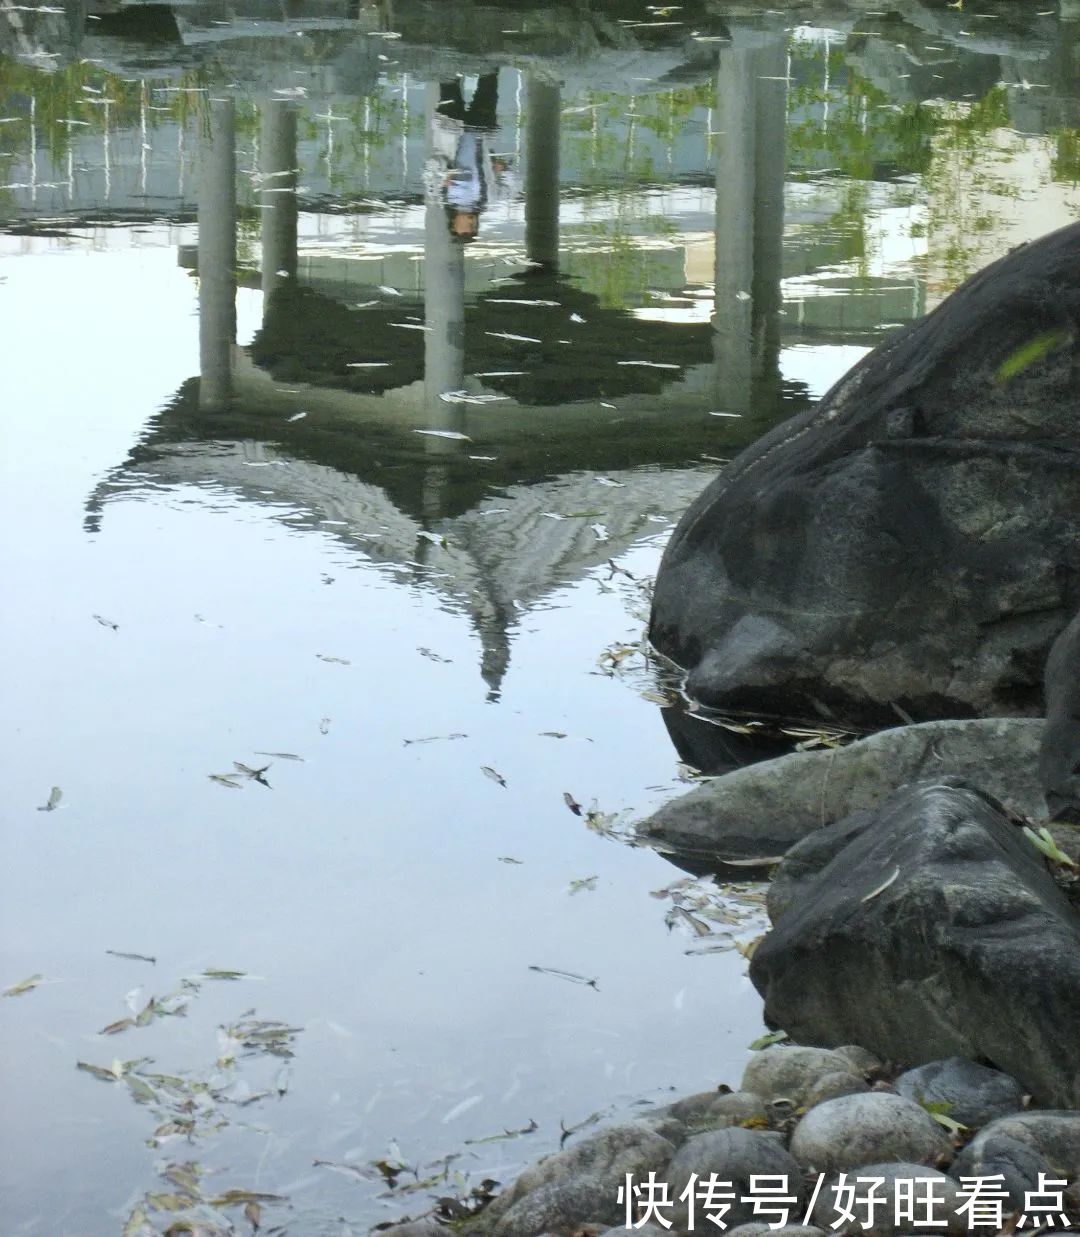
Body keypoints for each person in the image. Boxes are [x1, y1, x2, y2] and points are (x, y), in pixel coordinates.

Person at [426, 73, 511, 242]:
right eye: (474, 230)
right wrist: (502, 168)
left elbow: (431, 165)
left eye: (466, 231)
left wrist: (445, 174)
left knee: (448, 82)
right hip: (481, 129)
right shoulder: (489, 199)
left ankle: (448, 52)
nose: (471, 227)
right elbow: (513, 183)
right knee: (488, 85)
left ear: (453, 225)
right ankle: (489, 54)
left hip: (449, 126)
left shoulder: (439, 197)